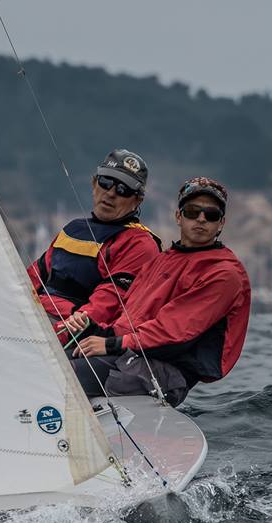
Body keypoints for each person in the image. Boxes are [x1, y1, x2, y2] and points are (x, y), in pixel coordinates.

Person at [62, 176, 250, 407]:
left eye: (211, 215)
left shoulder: (224, 274)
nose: (201, 219)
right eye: (192, 212)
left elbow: (174, 334)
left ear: (221, 223)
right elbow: (129, 320)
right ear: (179, 217)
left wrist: (111, 344)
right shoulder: (161, 261)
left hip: (166, 372)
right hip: (130, 354)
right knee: (49, 361)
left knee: (62, 376)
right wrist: (94, 330)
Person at [27, 149, 162, 341]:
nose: (111, 193)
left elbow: (104, 306)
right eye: (106, 182)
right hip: (31, 317)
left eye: (123, 189)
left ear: (137, 200)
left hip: (69, 333)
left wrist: (52, 336)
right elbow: (28, 280)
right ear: (93, 183)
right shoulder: (72, 228)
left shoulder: (139, 244)